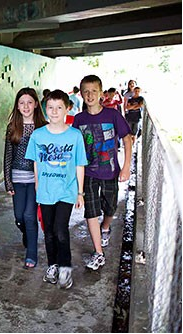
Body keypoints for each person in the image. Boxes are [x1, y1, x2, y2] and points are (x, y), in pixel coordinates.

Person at [25, 89, 88, 289]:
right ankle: (52, 265)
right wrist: (37, 184)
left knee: (61, 229)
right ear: (45, 109)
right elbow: (35, 162)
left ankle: (65, 267)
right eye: (50, 108)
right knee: (49, 231)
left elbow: (79, 164)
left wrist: (80, 192)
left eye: (58, 108)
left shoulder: (75, 136)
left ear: (67, 109)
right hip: (45, 191)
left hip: (67, 191)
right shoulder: (37, 135)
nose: (54, 112)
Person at [72, 75, 132, 271]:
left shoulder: (112, 115)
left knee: (110, 207)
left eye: (94, 91)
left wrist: (125, 166)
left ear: (101, 93)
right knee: (91, 210)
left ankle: (105, 227)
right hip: (88, 172)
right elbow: (73, 146)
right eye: (86, 91)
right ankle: (99, 253)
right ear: (81, 94)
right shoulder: (79, 119)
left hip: (110, 171)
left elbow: (127, 138)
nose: (89, 95)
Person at [3, 87, 47, 269]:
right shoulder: (12, 127)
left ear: (36, 104)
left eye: (29, 102)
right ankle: (28, 234)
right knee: (19, 217)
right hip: (17, 178)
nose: (26, 106)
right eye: (22, 103)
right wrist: (7, 181)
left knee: (30, 215)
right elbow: (7, 156)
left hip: (35, 180)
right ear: (17, 106)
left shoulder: (44, 127)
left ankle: (32, 254)